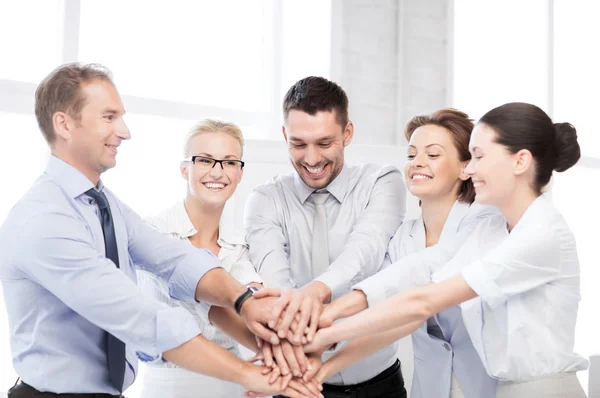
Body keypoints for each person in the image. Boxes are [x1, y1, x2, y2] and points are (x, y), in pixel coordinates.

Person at [0, 63, 321, 398]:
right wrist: (250, 375)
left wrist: (244, 301)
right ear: (64, 124)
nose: (125, 131)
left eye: (121, 117)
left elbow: (174, 259)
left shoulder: (103, 203)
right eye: (109, 117)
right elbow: (140, 316)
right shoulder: (44, 219)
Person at [303, 102, 589, 397]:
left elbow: (425, 301)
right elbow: (420, 271)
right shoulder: (492, 230)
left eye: (478, 156)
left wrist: (328, 333)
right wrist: (330, 321)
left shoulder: (541, 231)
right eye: (412, 154)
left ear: (520, 162)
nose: (472, 167)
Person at [244, 76, 408, 397]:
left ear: (347, 134)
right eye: (298, 143)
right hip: (295, 384)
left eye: (324, 143)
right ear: (284, 135)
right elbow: (276, 282)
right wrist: (296, 311)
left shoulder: (382, 182)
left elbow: (365, 251)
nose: (312, 159)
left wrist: (315, 292)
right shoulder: (265, 199)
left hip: (379, 386)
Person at [136, 120, 264, 397]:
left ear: (240, 173)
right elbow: (207, 299)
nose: (217, 172)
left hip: (232, 386)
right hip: (167, 386)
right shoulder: (152, 232)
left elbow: (255, 302)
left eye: (229, 162)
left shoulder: (242, 245)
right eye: (205, 160)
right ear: (185, 169)